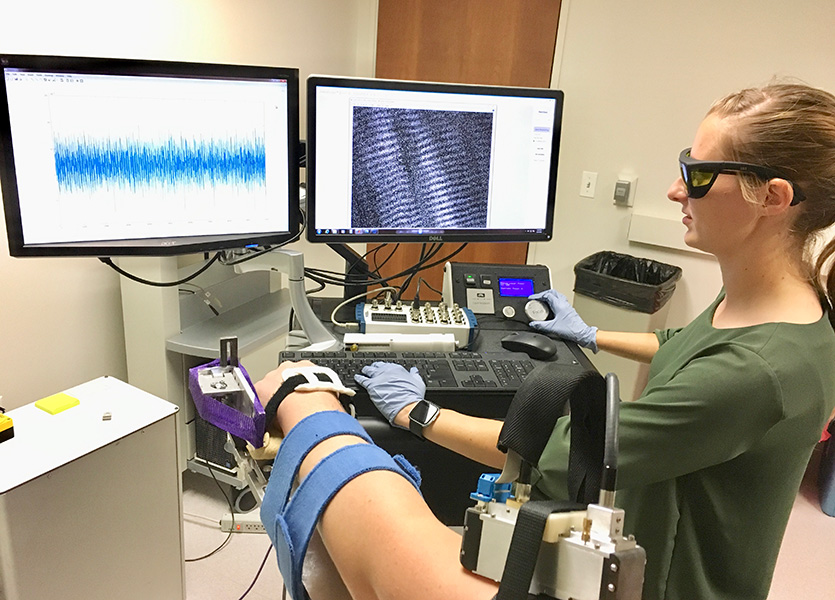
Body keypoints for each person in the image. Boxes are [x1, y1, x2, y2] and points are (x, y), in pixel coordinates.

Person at [256, 82, 835, 600]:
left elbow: (558, 454)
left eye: (699, 175)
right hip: (634, 541)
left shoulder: (759, 372)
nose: (675, 191)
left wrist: (417, 412)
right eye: (686, 164)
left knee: (375, 524)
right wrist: (588, 334)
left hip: (660, 583)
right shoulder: (779, 304)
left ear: (775, 197)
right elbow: (687, 344)